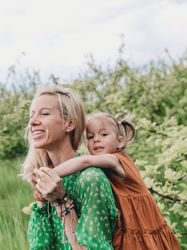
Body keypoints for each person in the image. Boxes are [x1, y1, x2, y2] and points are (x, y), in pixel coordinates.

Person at [45, 112, 181, 250]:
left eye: (103, 135)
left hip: (143, 228)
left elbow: (84, 160)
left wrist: (50, 175)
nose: (96, 140)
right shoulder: (100, 170)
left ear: (120, 141)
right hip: (128, 230)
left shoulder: (117, 159)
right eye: (90, 137)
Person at [22, 85, 118, 249]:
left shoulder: (90, 178)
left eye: (44, 114)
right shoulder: (48, 178)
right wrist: (42, 199)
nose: (33, 122)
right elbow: (42, 246)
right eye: (32, 116)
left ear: (69, 123)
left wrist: (61, 201)